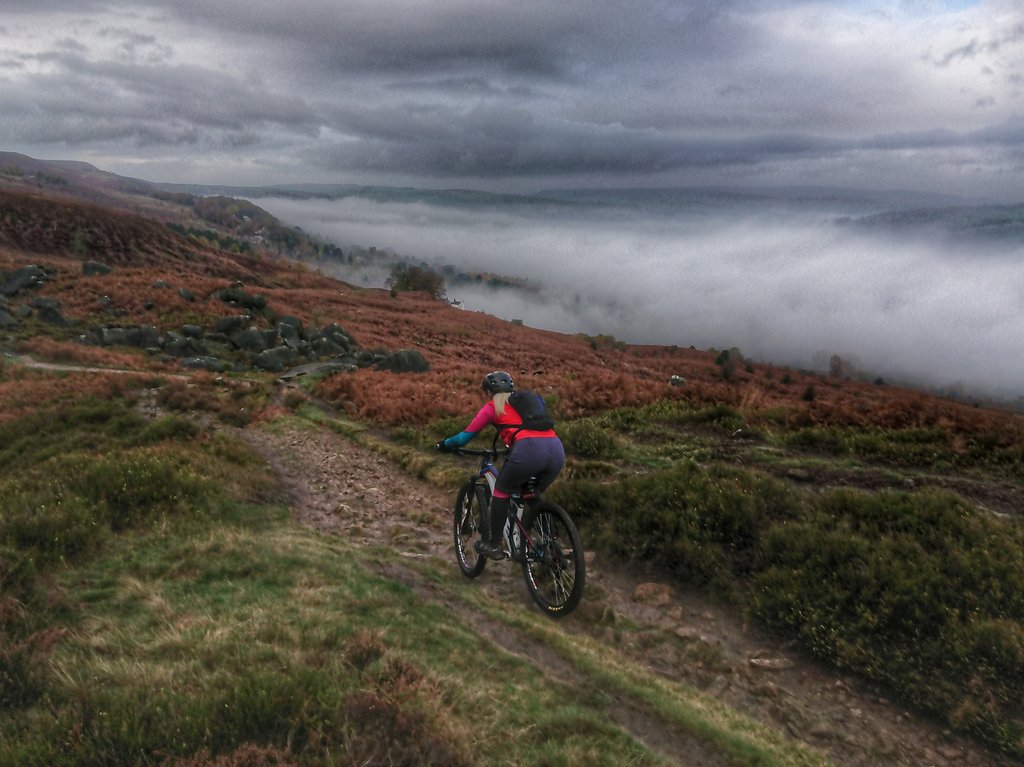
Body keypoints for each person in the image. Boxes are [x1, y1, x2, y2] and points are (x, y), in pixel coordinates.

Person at [438, 371, 565, 559]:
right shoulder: (527, 402)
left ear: (489, 392)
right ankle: (553, 543)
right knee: (531, 492)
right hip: (556, 449)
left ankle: (494, 545)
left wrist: (445, 444)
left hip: (527, 450)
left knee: (501, 490)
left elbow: (464, 438)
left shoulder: (492, 407)